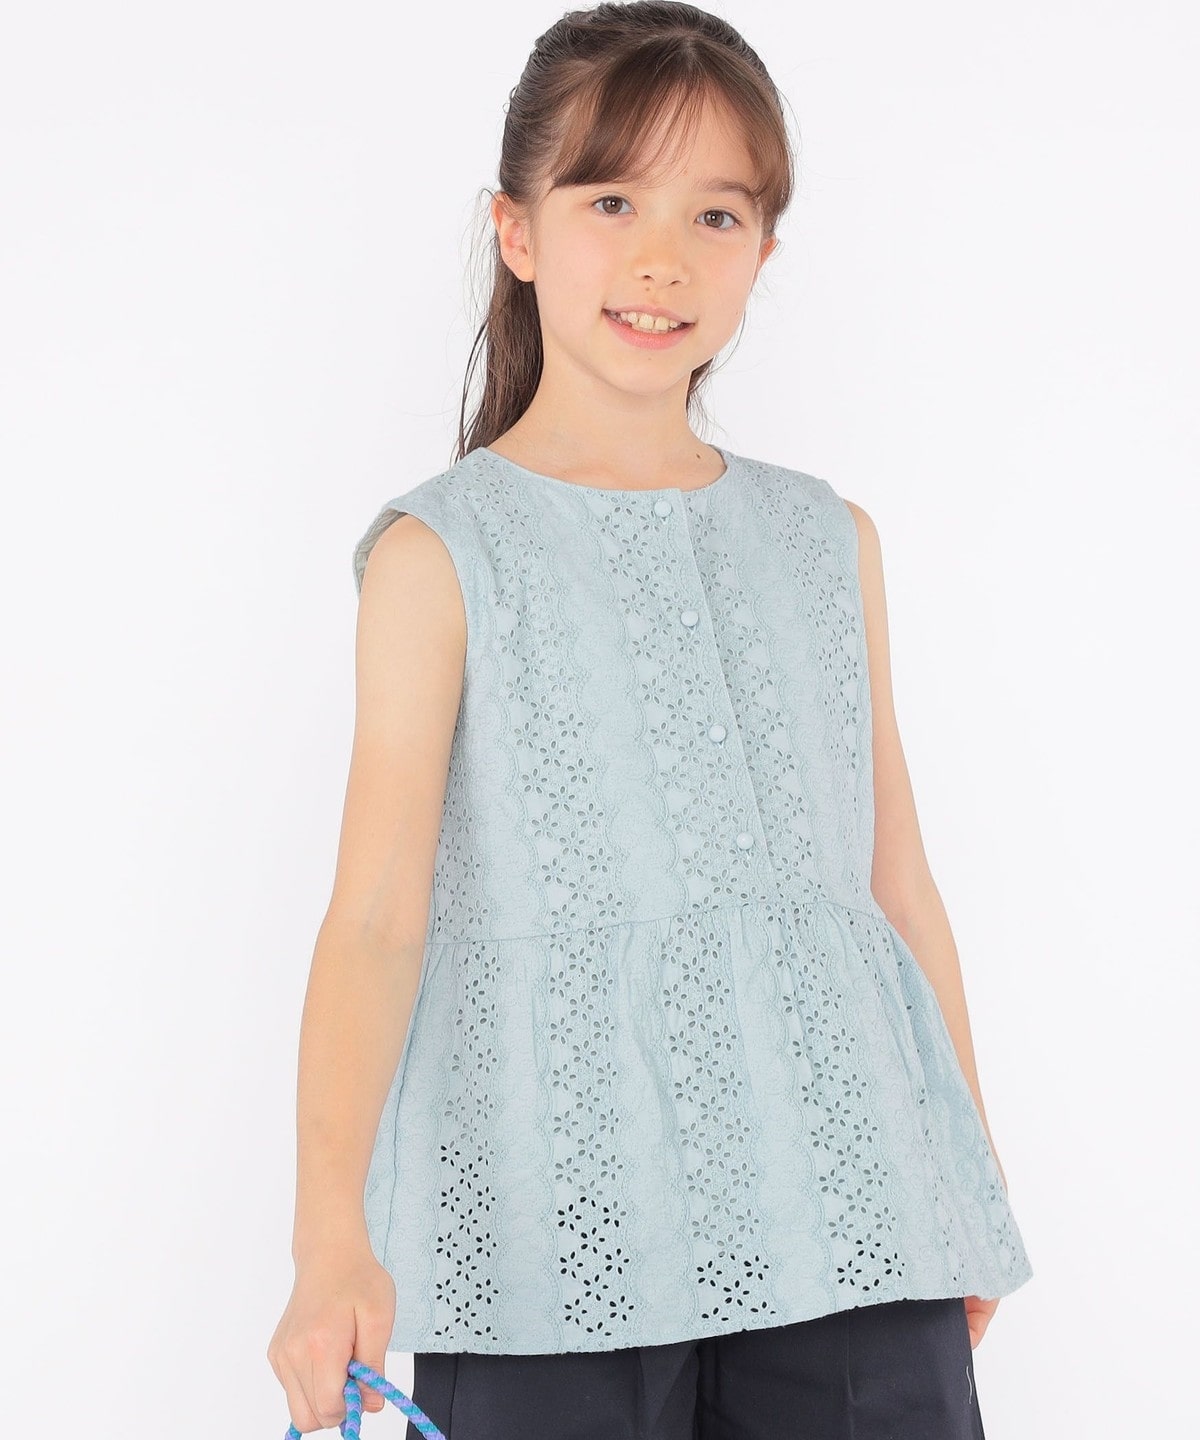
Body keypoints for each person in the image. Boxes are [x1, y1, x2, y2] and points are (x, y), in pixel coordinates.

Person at [267, 3, 1034, 1436]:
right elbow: (374, 917)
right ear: (515, 230)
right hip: (553, 1233)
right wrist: (329, 1241)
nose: (663, 256)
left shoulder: (827, 539)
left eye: (717, 213)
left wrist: (962, 1182)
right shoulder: (444, 553)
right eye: (611, 200)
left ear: (765, 252)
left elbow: (895, 887)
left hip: (854, 1212)